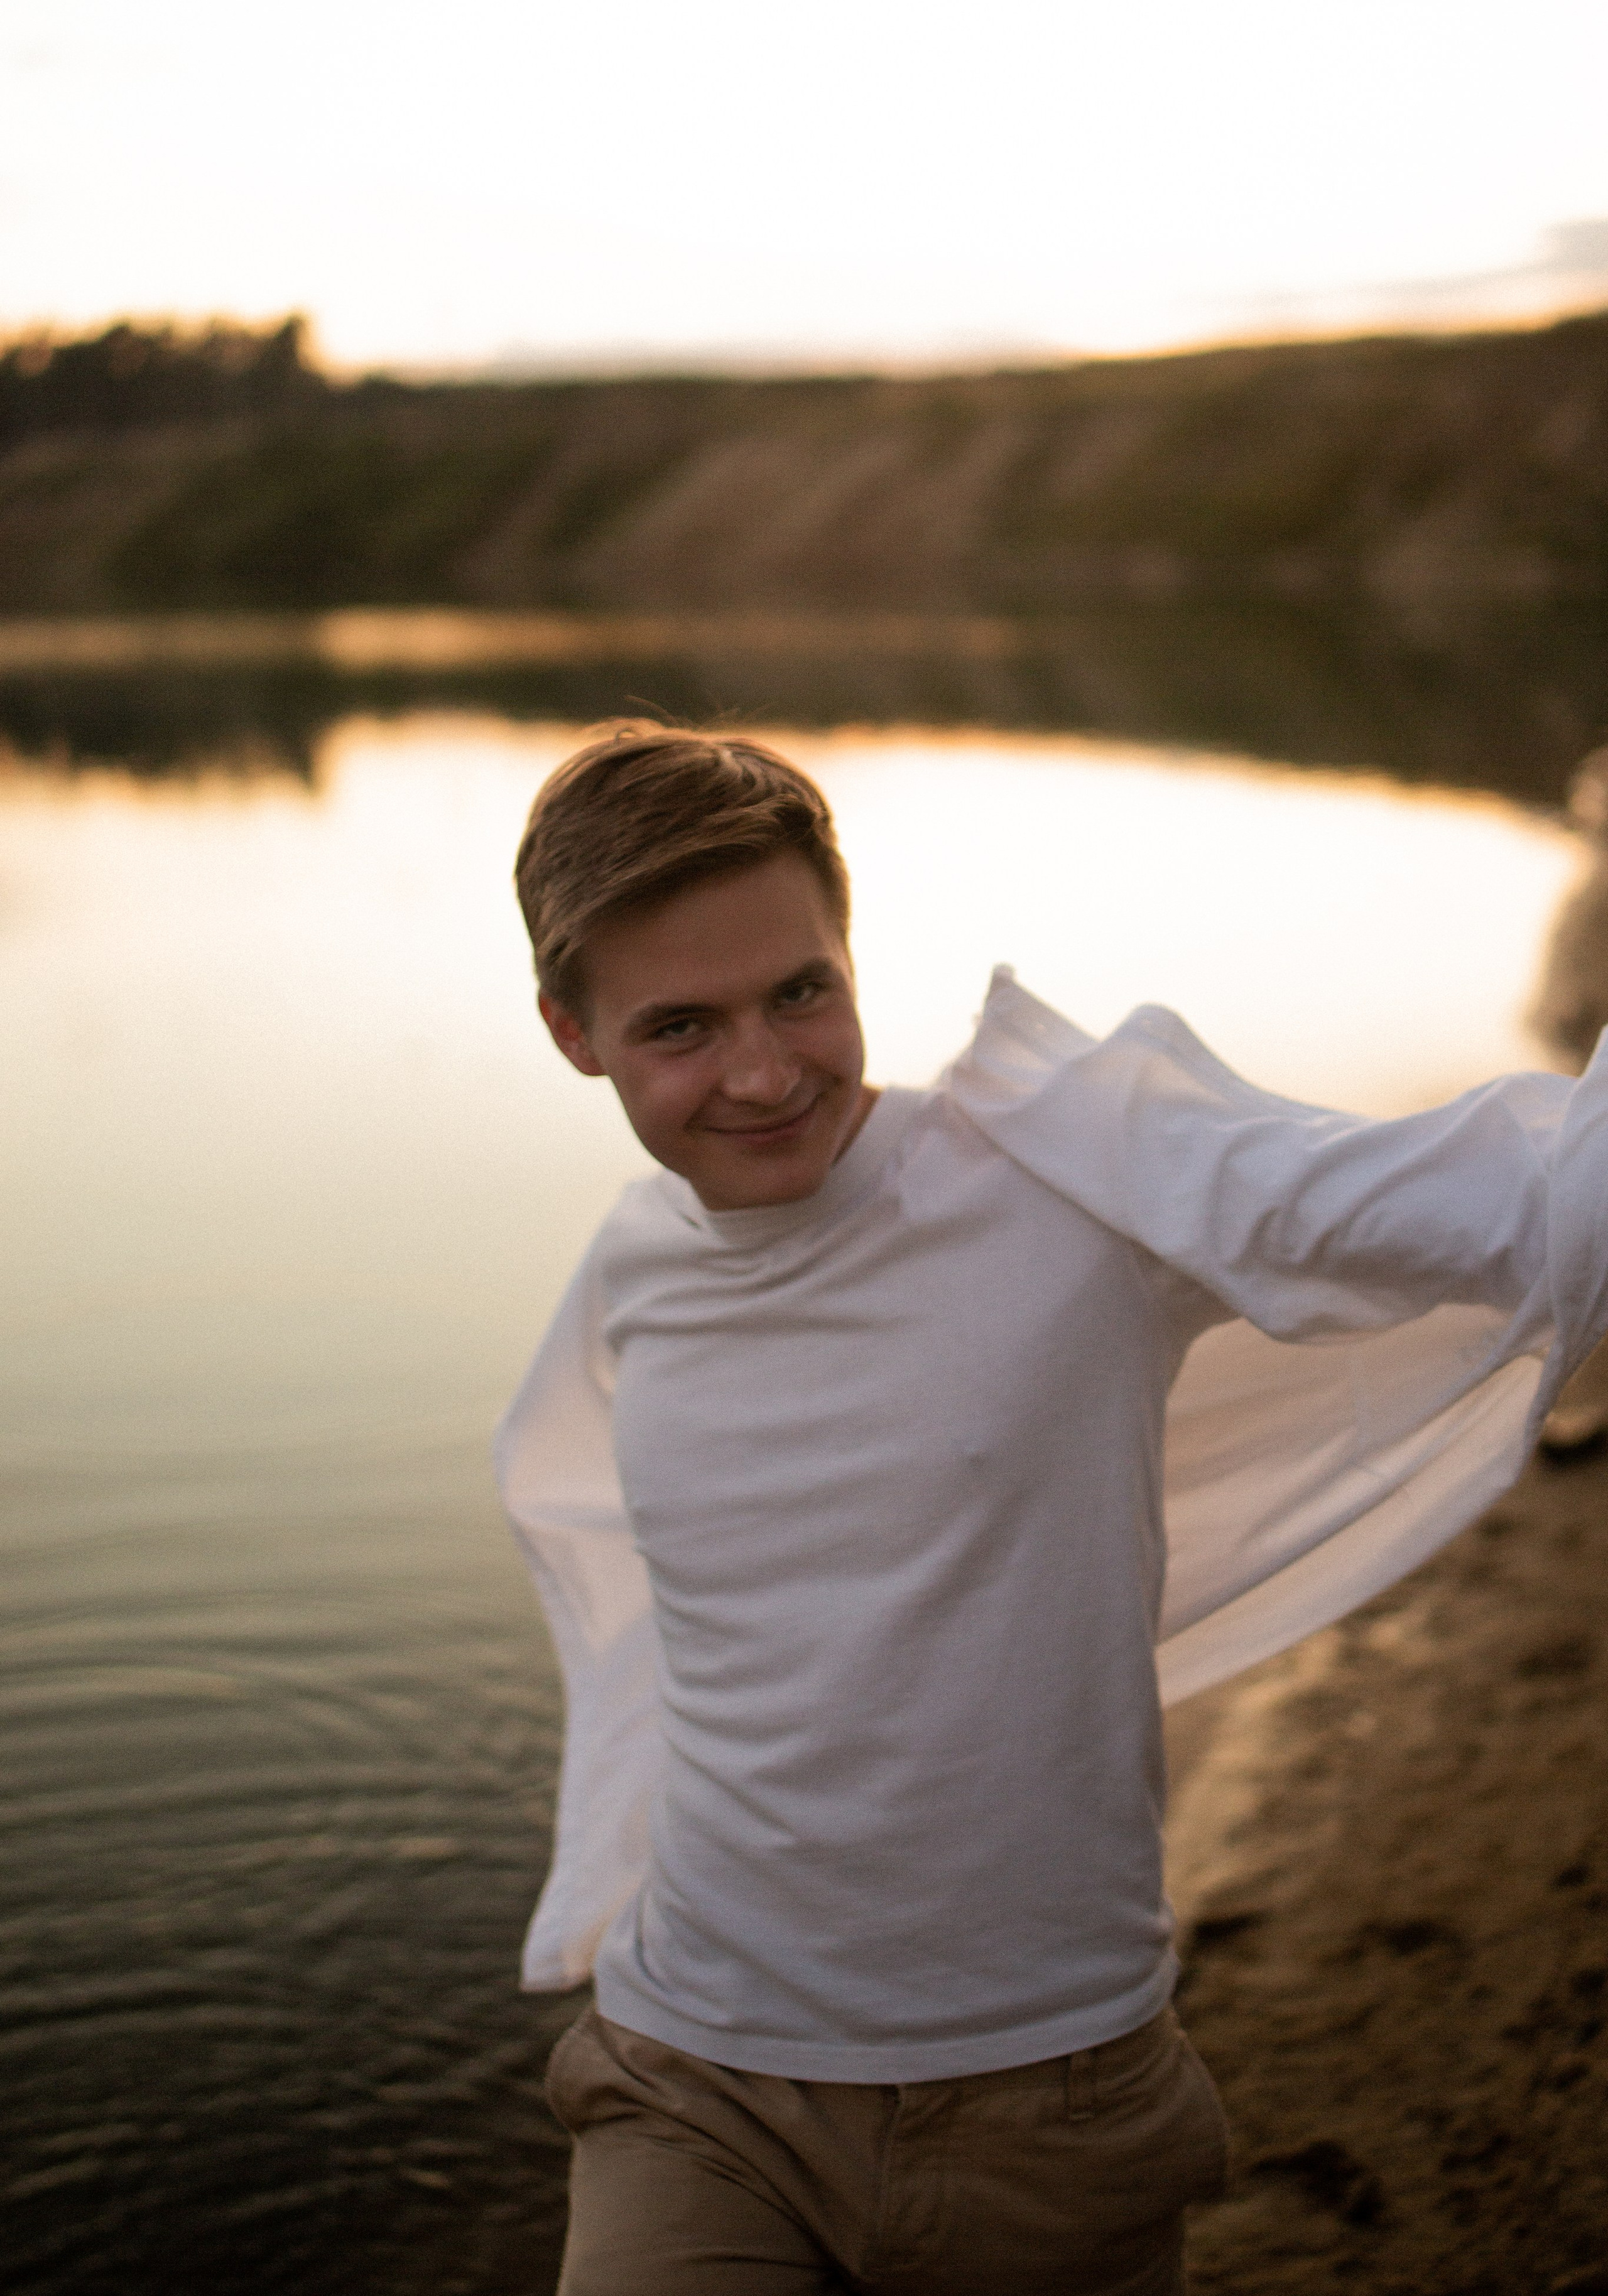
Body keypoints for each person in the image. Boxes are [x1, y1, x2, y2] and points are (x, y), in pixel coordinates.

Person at [495, 724, 1608, 2296]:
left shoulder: (1068, 1174)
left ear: (849, 955)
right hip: (695, 2078)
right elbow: (625, 1582)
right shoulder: (631, 1268)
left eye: (799, 992)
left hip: (1045, 2101)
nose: (760, 1072)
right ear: (572, 1032)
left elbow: (1505, 1196)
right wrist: (601, 1896)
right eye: (680, 1025)